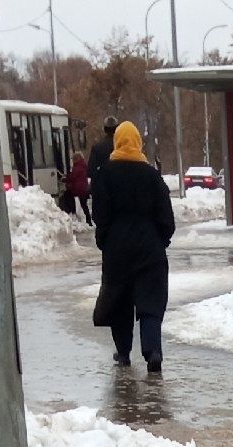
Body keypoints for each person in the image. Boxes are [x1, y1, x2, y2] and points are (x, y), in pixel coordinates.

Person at [89, 121, 174, 373]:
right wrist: (161, 240)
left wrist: (104, 240)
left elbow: (100, 215)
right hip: (150, 249)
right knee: (151, 302)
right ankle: (153, 351)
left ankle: (124, 353)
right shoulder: (152, 176)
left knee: (120, 301)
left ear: (116, 142)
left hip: (117, 250)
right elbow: (166, 218)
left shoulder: (105, 174)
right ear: (138, 142)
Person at [66, 147, 91, 224]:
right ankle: (88, 219)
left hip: (79, 189)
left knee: (70, 197)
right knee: (84, 205)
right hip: (83, 188)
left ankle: (73, 213)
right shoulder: (83, 165)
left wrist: (66, 179)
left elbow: (72, 177)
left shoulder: (77, 167)